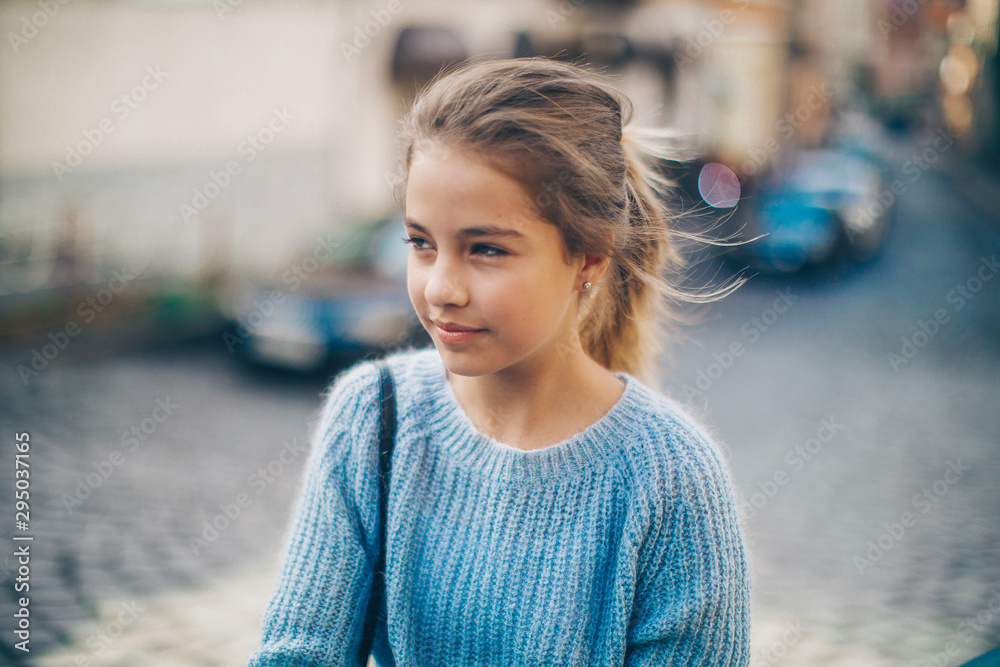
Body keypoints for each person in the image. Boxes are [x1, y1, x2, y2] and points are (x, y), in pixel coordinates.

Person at [249, 56, 751, 666]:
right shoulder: (373, 419)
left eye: (486, 249)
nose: (441, 287)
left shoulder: (671, 479)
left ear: (589, 258)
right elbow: (299, 653)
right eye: (421, 243)